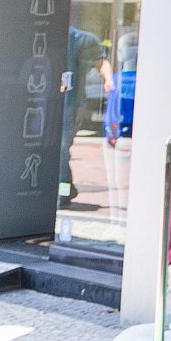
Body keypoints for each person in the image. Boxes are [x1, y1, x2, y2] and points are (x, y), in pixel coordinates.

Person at [59, 24, 110, 206]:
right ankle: (66, 190)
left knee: (61, 149)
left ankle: (63, 194)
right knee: (59, 151)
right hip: (51, 103)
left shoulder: (81, 39)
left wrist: (109, 81)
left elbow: (101, 62)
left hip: (70, 104)